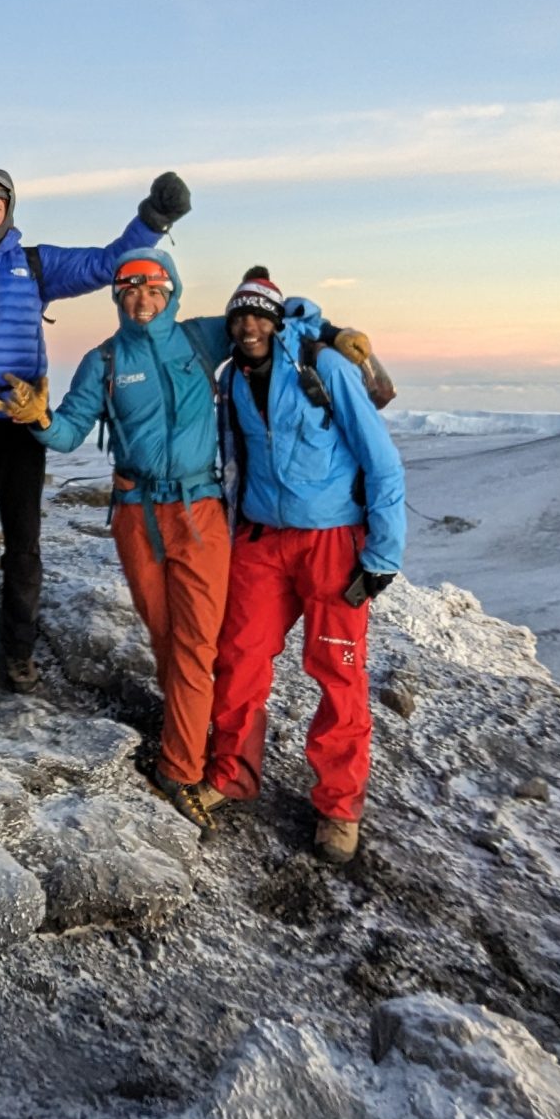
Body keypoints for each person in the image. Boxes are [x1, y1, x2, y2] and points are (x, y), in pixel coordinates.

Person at [0, 165, 194, 693]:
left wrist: (154, 219)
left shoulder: (34, 264)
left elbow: (106, 263)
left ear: (8, 211)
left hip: (21, 420)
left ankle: (20, 651)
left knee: (23, 539)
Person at [0, 249, 232, 832]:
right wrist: (39, 418)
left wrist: (332, 331)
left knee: (196, 642)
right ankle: (186, 728)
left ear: (171, 291)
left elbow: (265, 322)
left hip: (199, 509)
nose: (142, 300)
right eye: (130, 291)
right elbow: (69, 431)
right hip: (136, 513)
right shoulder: (103, 360)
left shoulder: (202, 338)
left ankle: (180, 768)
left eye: (153, 289)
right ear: (118, 298)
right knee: (164, 634)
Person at [201, 268, 407, 864]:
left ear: (278, 320)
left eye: (259, 315)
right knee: (237, 656)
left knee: (337, 671)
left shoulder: (325, 369)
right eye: (239, 316)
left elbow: (383, 459)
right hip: (263, 540)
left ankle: (339, 808)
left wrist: (382, 554)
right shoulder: (233, 379)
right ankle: (232, 773)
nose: (248, 326)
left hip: (331, 542)